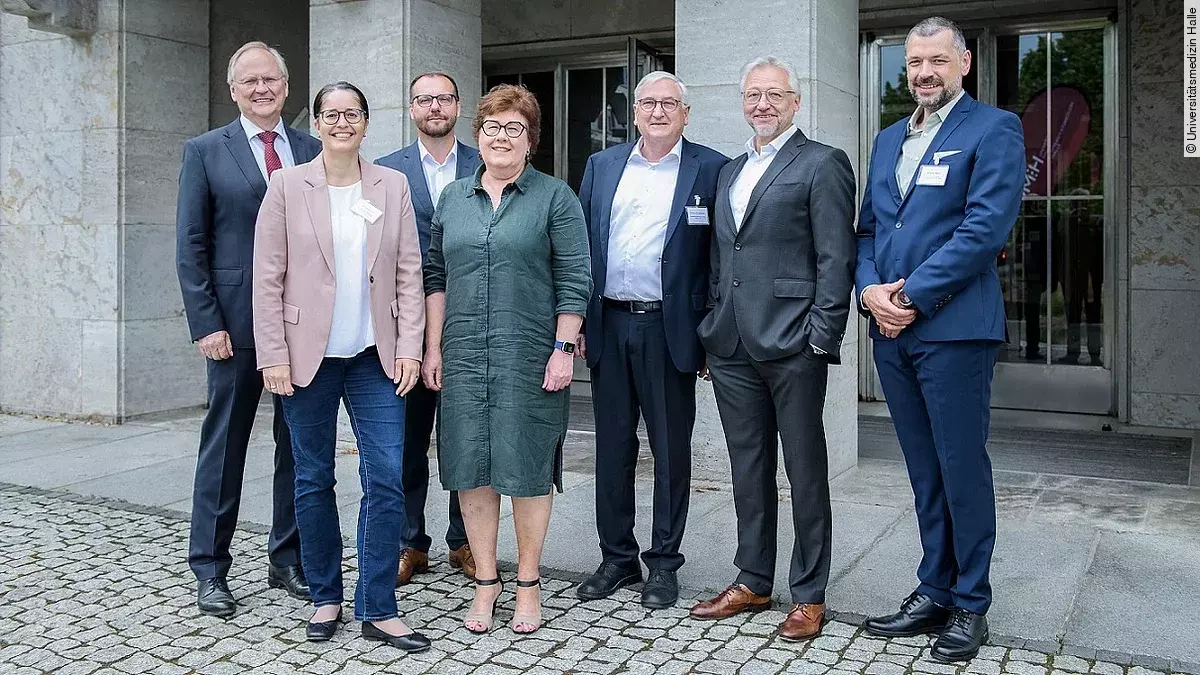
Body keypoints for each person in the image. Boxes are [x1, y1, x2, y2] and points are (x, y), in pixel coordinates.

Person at [855, 17, 1024, 663]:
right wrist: (870, 291)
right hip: (891, 332)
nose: (924, 72)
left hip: (953, 329)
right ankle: (933, 587)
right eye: (914, 62)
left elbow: (983, 230)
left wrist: (908, 296)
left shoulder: (993, 129)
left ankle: (970, 602)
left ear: (964, 63)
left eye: (936, 60)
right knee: (924, 470)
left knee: (960, 466)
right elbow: (867, 229)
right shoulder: (887, 138)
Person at [252, 81, 430, 652]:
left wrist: (410, 346)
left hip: (374, 358)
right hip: (306, 359)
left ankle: (378, 604)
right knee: (313, 476)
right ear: (319, 121)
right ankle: (325, 594)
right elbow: (267, 277)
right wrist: (273, 354)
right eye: (331, 114)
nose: (341, 123)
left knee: (385, 475)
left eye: (352, 113)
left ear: (366, 122)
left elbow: (408, 270)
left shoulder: (392, 184)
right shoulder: (287, 185)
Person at [690, 56, 856, 642]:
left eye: (773, 95)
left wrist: (820, 338)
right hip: (732, 344)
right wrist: (713, 324)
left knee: (805, 471)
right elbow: (719, 257)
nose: (762, 104)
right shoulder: (730, 169)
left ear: (795, 101)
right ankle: (753, 578)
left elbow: (837, 259)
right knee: (748, 467)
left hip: (793, 344)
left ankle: (809, 593)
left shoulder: (822, 164)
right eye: (753, 95)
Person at [422, 84, 592, 634]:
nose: (501, 137)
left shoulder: (554, 197)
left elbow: (575, 278)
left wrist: (564, 348)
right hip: (465, 354)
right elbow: (436, 277)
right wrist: (433, 346)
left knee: (527, 468)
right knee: (471, 469)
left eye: (514, 128)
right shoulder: (452, 200)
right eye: (492, 127)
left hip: (530, 355)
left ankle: (528, 584)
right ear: (477, 136)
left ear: (530, 141)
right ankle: (485, 583)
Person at [573, 71, 728, 609]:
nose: (658, 111)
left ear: (686, 113)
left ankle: (663, 563)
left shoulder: (712, 168)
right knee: (612, 448)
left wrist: (709, 332)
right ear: (633, 112)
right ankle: (617, 557)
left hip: (671, 329)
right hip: (608, 323)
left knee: (669, 450)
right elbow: (580, 248)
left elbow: (719, 259)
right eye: (648, 103)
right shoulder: (602, 165)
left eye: (670, 103)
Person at [176, 41, 319, 618]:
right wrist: (205, 322)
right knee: (225, 445)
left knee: (298, 447)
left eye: (271, 80)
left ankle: (286, 559)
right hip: (234, 328)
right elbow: (191, 244)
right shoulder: (206, 151)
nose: (262, 90)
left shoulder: (313, 150)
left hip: (303, 327)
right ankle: (210, 568)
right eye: (249, 82)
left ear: (286, 87)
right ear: (233, 90)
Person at [375, 72, 481, 585]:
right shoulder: (383, 171)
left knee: (466, 437)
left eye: (443, 98)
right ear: (411, 108)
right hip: (404, 325)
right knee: (406, 440)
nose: (434, 106)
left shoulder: (486, 163)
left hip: (472, 321)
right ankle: (408, 542)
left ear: (459, 106)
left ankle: (465, 541)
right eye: (423, 99)